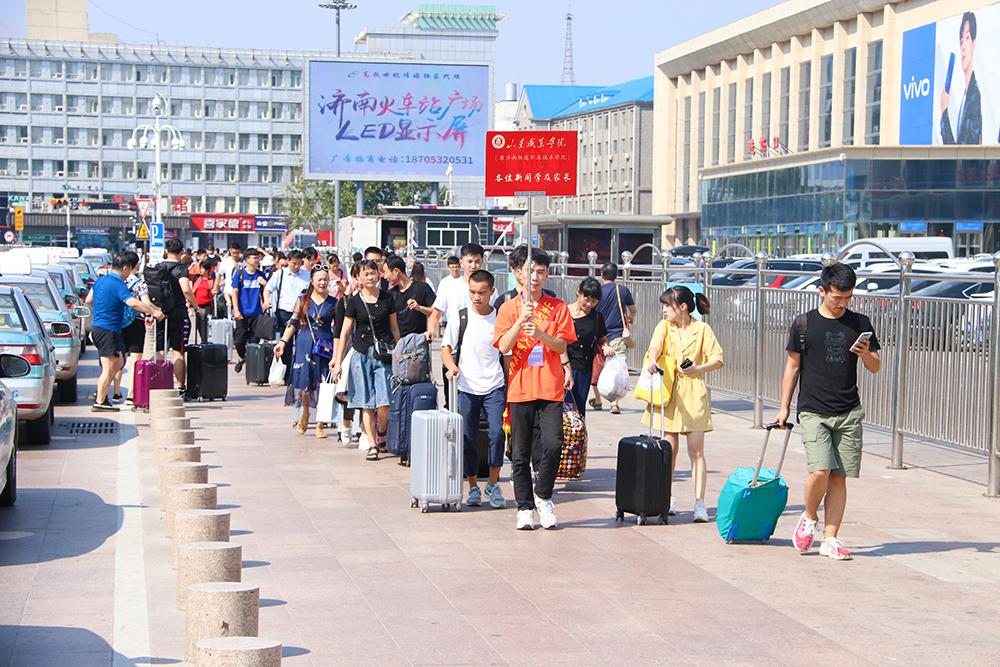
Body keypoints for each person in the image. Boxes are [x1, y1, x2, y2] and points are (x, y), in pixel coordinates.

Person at [777, 263, 881, 561]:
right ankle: (810, 516)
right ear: (822, 291)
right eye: (837, 297)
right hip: (813, 409)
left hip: (849, 410)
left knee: (839, 477)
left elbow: (875, 366)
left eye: (848, 297)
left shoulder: (860, 323)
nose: (843, 303)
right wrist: (784, 407)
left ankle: (830, 539)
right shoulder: (804, 323)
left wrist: (866, 354)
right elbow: (793, 366)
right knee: (820, 470)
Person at [494, 250, 576, 531]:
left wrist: (540, 333)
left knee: (553, 444)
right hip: (520, 388)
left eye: (541, 271)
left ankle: (543, 496)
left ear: (548, 274)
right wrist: (520, 322)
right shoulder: (508, 308)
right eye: (530, 271)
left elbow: (562, 345)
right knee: (520, 452)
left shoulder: (558, 307)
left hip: (550, 387)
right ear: (519, 272)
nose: (535, 277)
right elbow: (504, 346)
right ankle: (524, 507)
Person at [643, 286, 723, 523]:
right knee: (670, 450)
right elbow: (654, 347)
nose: (665, 309)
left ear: (683, 307)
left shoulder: (703, 329)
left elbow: (718, 359)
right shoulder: (664, 326)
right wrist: (652, 360)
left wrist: (698, 368)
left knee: (696, 451)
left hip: (693, 392)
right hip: (669, 391)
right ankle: (666, 498)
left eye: (668, 305)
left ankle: (700, 503)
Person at [441, 269, 507, 509]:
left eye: (481, 293)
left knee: (497, 434)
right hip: (467, 386)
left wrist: (509, 385)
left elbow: (507, 355)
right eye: (472, 292)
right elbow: (446, 349)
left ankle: (493, 484)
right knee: (467, 437)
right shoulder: (460, 316)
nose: (476, 297)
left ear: (492, 292)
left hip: (495, 386)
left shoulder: (500, 318)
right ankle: (472, 488)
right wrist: (451, 367)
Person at [332, 259, 400, 461]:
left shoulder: (388, 298)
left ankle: (382, 431)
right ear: (358, 278)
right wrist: (338, 361)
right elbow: (345, 333)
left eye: (373, 272)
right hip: (361, 354)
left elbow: (394, 328)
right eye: (366, 274)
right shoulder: (354, 301)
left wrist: (399, 352)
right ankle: (373, 444)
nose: (370, 277)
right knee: (367, 403)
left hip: (384, 354)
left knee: (385, 402)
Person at [86, 252, 164, 412]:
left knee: (119, 362)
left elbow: (88, 300)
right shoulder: (118, 284)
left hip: (101, 328)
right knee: (109, 367)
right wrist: (153, 311)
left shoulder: (101, 280)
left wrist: (103, 309)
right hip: (107, 329)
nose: (129, 275)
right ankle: (100, 401)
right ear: (125, 268)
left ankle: (101, 393)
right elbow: (133, 303)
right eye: (129, 271)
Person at [427, 243, 495, 408]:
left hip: (480, 352)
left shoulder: (489, 289)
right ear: (461, 262)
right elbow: (436, 312)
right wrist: (430, 330)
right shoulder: (450, 286)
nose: (473, 266)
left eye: (477, 261)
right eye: (469, 261)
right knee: (452, 399)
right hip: (454, 349)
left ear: (483, 262)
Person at [273, 265, 338, 438]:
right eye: (319, 279)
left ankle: (320, 424)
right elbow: (293, 322)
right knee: (306, 381)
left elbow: (339, 328)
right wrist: (283, 341)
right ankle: (306, 412)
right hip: (304, 343)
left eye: (325, 279)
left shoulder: (334, 302)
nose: (322, 283)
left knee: (324, 384)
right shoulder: (303, 299)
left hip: (325, 345)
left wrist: (338, 352)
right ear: (312, 281)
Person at [156, 238, 203, 397]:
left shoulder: (158, 267)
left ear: (166, 251)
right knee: (178, 352)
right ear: (182, 252)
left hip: (160, 314)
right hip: (178, 314)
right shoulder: (181, 269)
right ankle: (181, 388)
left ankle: (158, 385)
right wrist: (196, 307)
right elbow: (186, 290)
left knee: (160, 350)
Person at [565, 277, 613, 421]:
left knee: (578, 410)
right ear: (578, 292)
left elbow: (602, 339)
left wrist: (605, 346)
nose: (589, 304)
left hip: (583, 370)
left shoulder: (596, 317)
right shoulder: (563, 312)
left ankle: (578, 435)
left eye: (594, 301)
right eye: (586, 299)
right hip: (561, 368)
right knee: (560, 409)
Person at [592, 262, 637, 414]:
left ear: (601, 275)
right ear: (617, 275)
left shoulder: (597, 291)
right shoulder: (622, 290)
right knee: (617, 370)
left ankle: (598, 400)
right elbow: (633, 309)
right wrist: (631, 317)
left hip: (599, 336)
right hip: (618, 336)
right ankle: (614, 403)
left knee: (598, 368)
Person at [112, 253, 155, 406]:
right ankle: (131, 395)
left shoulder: (117, 282)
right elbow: (146, 303)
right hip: (136, 323)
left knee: (119, 359)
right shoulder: (139, 283)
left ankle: (116, 392)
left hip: (118, 323)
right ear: (136, 265)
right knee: (135, 361)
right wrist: (152, 313)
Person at [263, 249, 310, 381]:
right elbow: (268, 288)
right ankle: (286, 374)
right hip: (285, 312)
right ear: (288, 261)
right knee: (285, 344)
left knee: (301, 343)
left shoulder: (306, 275)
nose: (296, 266)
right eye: (294, 263)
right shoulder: (280, 274)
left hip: (302, 313)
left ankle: (299, 372)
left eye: (299, 263)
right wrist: (266, 300)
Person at [941, 12, 981, 145]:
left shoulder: (974, 96)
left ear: (973, 44)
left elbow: (963, 153)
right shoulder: (966, 95)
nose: (963, 47)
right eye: (961, 41)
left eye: (967, 38)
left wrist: (944, 113)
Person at [231, 248, 268, 373]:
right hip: (242, 313)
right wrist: (236, 310)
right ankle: (242, 358)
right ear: (247, 260)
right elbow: (234, 293)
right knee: (239, 341)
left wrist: (264, 283)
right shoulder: (239, 274)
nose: (257, 260)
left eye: (258, 258)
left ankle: (251, 369)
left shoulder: (261, 275)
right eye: (255, 258)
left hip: (256, 313)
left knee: (254, 342)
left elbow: (268, 290)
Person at [385, 255, 435, 338]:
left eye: (386, 272)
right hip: (399, 341)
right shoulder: (390, 294)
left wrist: (420, 308)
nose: (385, 277)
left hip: (418, 341)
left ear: (396, 271)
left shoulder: (422, 287)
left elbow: (435, 313)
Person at [215, 242, 243, 314]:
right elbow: (219, 275)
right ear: (230, 251)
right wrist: (215, 287)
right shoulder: (225, 262)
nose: (235, 255)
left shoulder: (243, 262)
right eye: (233, 253)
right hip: (228, 290)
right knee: (228, 310)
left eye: (237, 253)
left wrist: (242, 266)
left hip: (241, 291)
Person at [192, 260, 215, 343]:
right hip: (198, 305)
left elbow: (216, 288)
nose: (200, 270)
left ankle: (205, 341)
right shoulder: (197, 278)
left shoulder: (211, 280)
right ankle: (202, 339)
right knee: (199, 324)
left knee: (206, 324)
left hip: (207, 304)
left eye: (202, 269)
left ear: (207, 270)